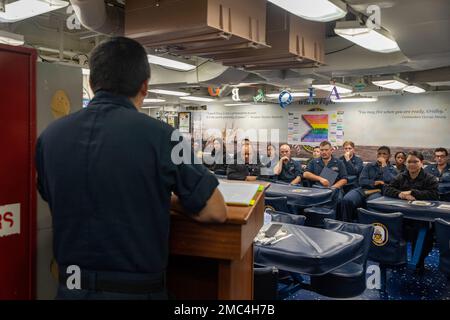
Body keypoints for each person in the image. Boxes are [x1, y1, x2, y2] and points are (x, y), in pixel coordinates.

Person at [35, 37, 227, 300]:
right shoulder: (165, 137)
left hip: (71, 289)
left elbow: (51, 194)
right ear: (145, 86)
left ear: (92, 84)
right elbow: (215, 211)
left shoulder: (50, 137)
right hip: (136, 292)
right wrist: (166, 199)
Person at [384, 151, 439, 273]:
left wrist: (413, 192)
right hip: (403, 215)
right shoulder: (401, 176)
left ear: (422, 163)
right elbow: (387, 189)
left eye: (415, 161)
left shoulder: (429, 178)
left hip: (422, 217)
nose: (412, 164)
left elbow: (434, 194)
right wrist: (400, 194)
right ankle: (395, 260)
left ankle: (418, 264)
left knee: (424, 235)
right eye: (409, 161)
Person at [340, 146, 398, 221]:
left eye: (384, 154)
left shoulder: (392, 169)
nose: (381, 156)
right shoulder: (369, 166)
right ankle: (346, 223)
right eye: (379, 154)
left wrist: (384, 166)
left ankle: (367, 225)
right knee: (347, 199)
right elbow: (362, 181)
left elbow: (389, 180)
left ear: (389, 156)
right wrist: (374, 182)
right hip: (363, 189)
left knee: (370, 203)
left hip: (379, 192)